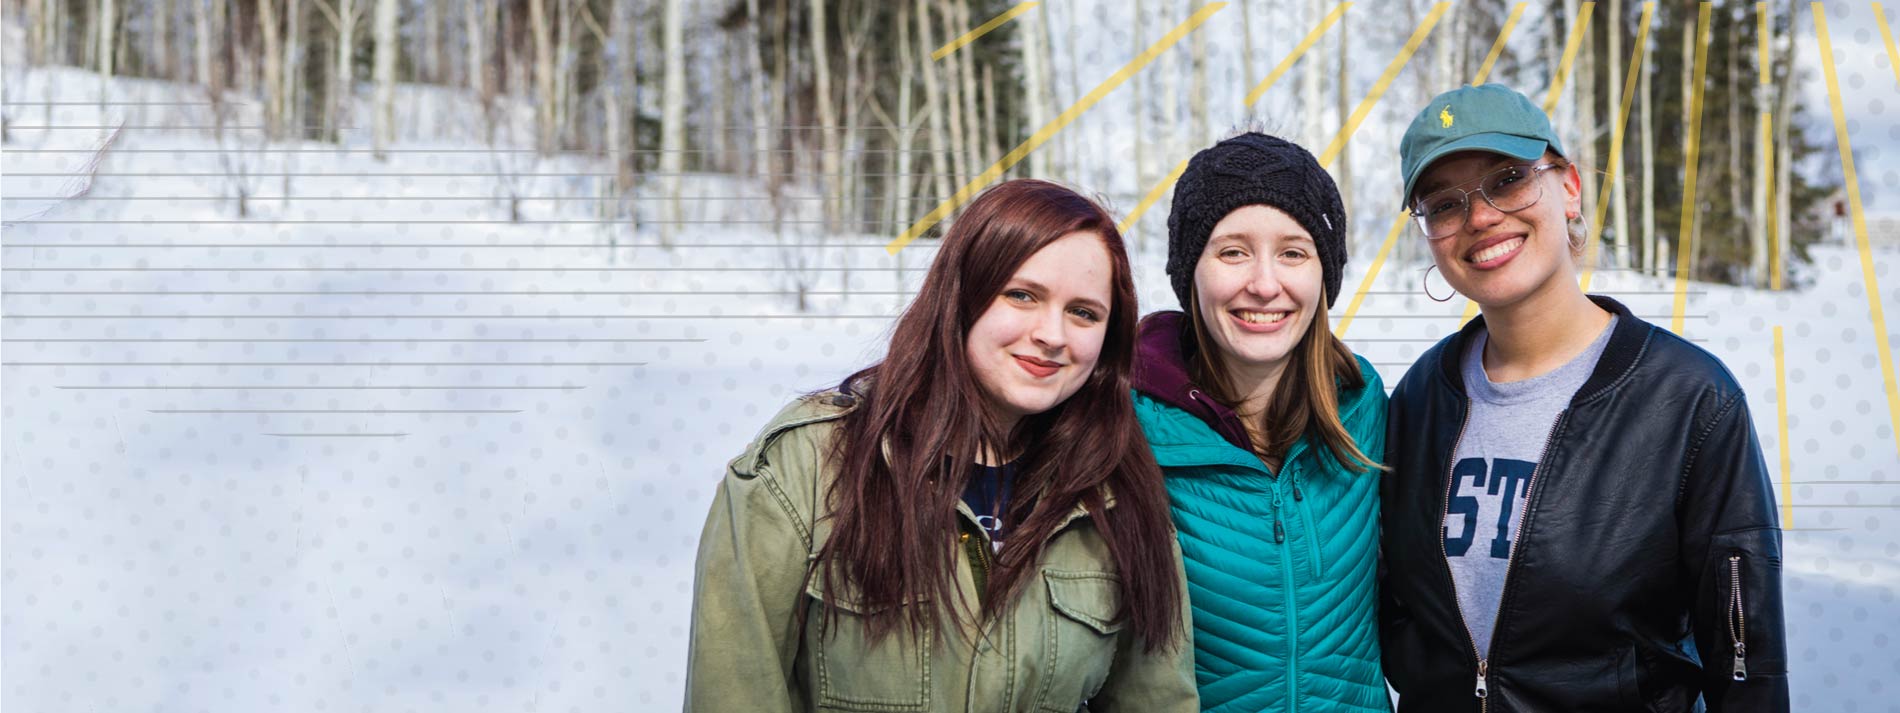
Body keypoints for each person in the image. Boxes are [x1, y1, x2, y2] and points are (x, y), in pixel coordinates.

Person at [685, 179, 1197, 711]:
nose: (1052, 334)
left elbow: (1157, 701)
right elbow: (732, 692)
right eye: (1022, 295)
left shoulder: (1117, 493)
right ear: (963, 295)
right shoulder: (807, 464)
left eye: (1084, 313)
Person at [1379, 83, 1789, 712]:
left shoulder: (1688, 400)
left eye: (1508, 179)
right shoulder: (1419, 399)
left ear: (1568, 186)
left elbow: (1745, 665)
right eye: (1444, 204)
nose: (1480, 217)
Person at [1132, 131, 1391, 712]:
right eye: (1232, 252)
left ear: (1323, 275)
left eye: (1293, 253)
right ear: (1190, 272)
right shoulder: (1126, 429)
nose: (1265, 284)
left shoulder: (1363, 407)